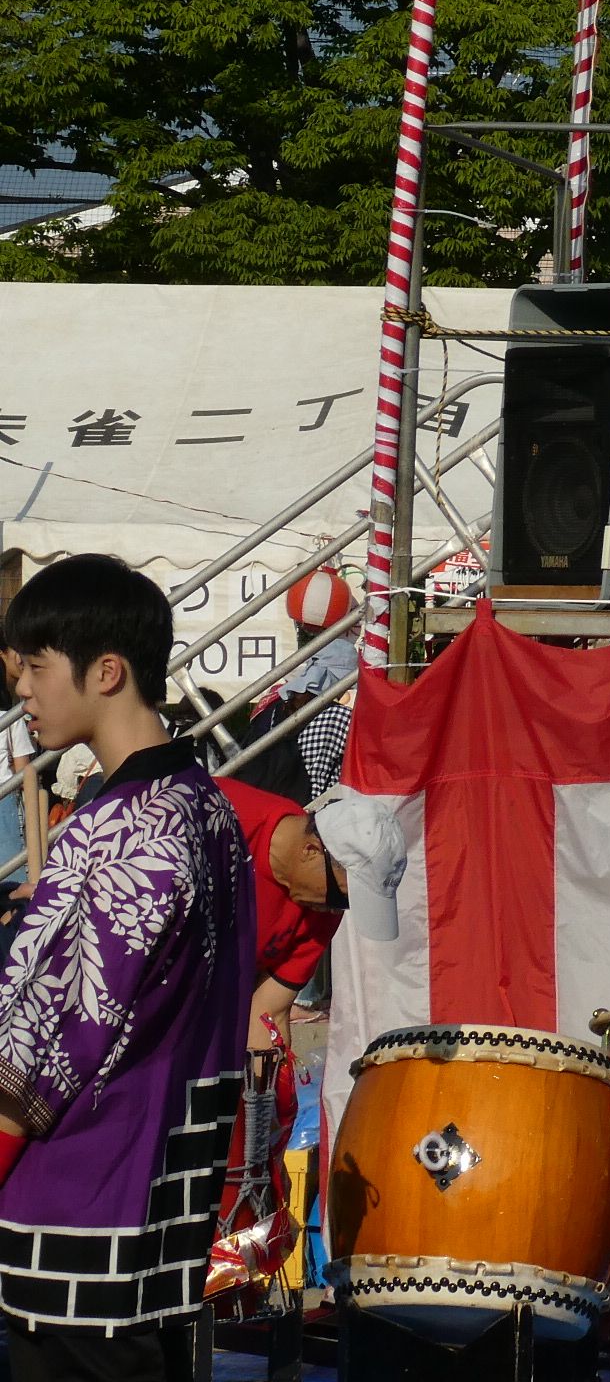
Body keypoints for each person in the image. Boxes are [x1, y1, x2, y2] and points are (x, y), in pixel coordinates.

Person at [0, 554, 258, 1380]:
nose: (23, 692)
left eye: (37, 667)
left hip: (78, 1216)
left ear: (106, 670)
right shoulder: (208, 809)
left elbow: (32, 1052)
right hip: (163, 1214)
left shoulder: (117, 833)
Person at [213, 777, 406, 1052]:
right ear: (312, 851)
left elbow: (268, 1016)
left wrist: (267, 1093)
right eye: (342, 896)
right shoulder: (216, 816)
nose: (336, 909)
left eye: (350, 903)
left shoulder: (322, 906)